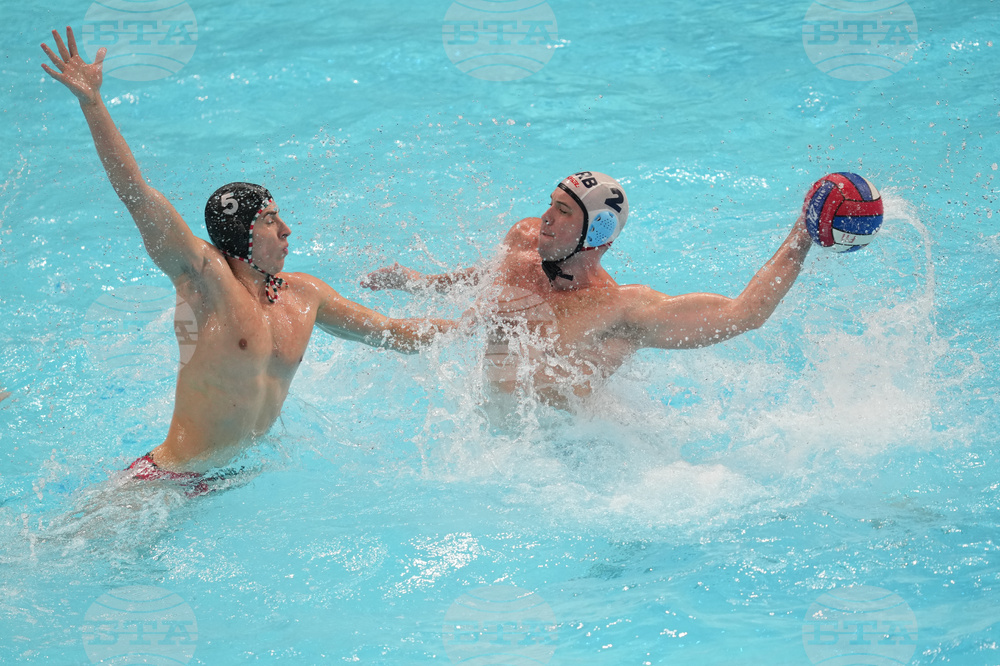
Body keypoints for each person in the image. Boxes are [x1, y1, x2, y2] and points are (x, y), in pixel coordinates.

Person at [40, 28, 454, 486]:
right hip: (168, 479)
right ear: (242, 235)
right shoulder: (206, 280)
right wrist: (92, 103)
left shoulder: (305, 295)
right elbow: (135, 192)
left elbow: (392, 333)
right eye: (271, 220)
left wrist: (474, 323)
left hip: (238, 477)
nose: (287, 229)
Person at [363, 170, 814, 410]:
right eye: (551, 204)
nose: (545, 218)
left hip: (565, 444)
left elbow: (744, 315)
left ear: (595, 233)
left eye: (563, 212)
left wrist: (803, 234)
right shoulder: (524, 240)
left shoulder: (619, 310)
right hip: (493, 422)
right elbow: (484, 278)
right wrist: (416, 283)